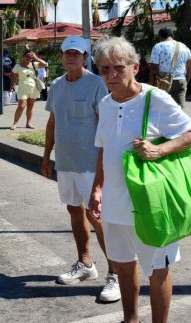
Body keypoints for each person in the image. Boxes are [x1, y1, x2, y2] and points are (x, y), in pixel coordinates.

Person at [89, 36, 191, 323]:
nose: (112, 76)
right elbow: (104, 149)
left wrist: (159, 149)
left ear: (135, 67)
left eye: (118, 68)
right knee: (124, 268)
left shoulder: (156, 99)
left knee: (157, 270)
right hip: (115, 204)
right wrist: (97, 189)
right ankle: (130, 320)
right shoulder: (104, 103)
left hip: (150, 204)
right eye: (104, 70)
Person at [40, 36, 119, 301]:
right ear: (61, 56)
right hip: (66, 162)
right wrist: (45, 154)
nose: (71, 58)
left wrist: (106, 165)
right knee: (75, 212)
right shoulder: (56, 85)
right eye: (67, 53)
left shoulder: (97, 84)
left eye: (77, 53)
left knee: (98, 218)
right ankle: (85, 264)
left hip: (91, 163)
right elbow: (53, 121)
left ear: (86, 57)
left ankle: (116, 274)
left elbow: (107, 125)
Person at [148, 28, 191, 108]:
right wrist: (187, 79)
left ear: (160, 37)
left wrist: (150, 83)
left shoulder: (158, 46)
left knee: (162, 109)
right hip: (181, 80)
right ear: (172, 36)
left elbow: (153, 68)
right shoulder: (183, 46)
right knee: (179, 110)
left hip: (163, 82)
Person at [10, 49, 47, 130]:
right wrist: (12, 86)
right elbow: (13, 77)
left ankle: (28, 123)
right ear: (23, 57)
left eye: (30, 57)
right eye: (27, 56)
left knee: (30, 106)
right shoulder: (18, 66)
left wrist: (35, 57)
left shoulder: (34, 64)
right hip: (23, 88)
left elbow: (44, 64)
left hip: (33, 88)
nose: (28, 58)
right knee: (21, 106)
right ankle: (15, 123)